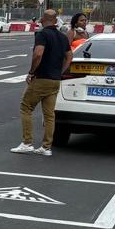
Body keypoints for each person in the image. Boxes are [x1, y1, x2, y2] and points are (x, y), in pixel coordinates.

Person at [12, 9, 71, 156]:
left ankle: (27, 143)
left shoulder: (42, 34)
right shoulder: (63, 37)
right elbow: (69, 57)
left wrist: (31, 72)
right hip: (55, 80)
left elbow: (38, 54)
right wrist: (61, 71)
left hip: (42, 78)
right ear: (56, 21)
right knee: (49, 114)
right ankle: (46, 147)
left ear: (43, 20)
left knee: (26, 107)